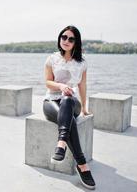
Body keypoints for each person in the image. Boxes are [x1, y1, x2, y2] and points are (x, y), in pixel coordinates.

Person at [43, 25, 96, 190]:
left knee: (68, 99)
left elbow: (82, 85)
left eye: (71, 39)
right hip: (51, 101)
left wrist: (85, 108)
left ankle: (61, 144)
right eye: (63, 37)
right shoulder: (51, 59)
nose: (66, 41)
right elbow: (47, 82)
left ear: (76, 42)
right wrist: (60, 86)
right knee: (68, 118)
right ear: (60, 39)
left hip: (72, 103)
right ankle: (82, 164)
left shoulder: (82, 62)